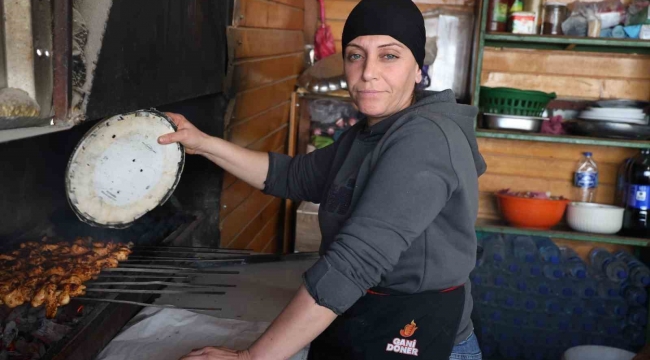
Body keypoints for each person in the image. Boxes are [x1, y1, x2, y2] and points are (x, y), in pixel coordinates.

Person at [161, 0, 486, 359]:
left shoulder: (425, 139)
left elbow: (355, 262)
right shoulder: (368, 133)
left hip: (420, 338)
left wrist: (251, 357)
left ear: (417, 66)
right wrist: (203, 144)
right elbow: (291, 176)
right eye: (355, 55)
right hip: (365, 319)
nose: (368, 73)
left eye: (389, 56)